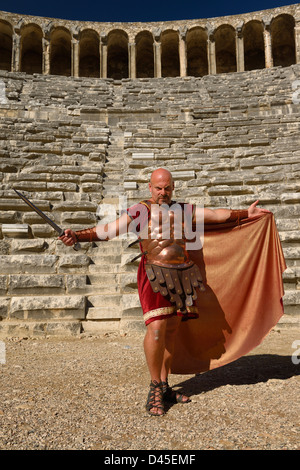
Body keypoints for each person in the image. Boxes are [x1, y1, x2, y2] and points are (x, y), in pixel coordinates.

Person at [59, 168, 271, 416]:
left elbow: (214, 215)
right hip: (154, 273)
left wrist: (246, 213)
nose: (163, 192)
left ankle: (164, 385)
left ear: (173, 187)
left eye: (167, 188)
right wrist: (78, 235)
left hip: (183, 275)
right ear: (150, 187)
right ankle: (154, 387)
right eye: (158, 188)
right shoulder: (141, 211)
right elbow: (109, 230)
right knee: (157, 329)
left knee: (170, 331)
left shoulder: (184, 210)